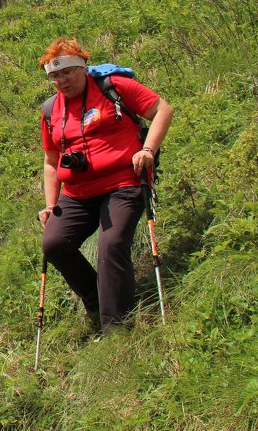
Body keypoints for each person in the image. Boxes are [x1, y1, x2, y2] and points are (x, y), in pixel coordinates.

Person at [37, 38, 174, 333]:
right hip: (77, 193)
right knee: (54, 244)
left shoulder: (113, 88)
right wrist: (51, 204)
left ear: (83, 68)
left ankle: (116, 326)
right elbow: (51, 161)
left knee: (111, 245)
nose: (61, 81)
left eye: (67, 73)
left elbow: (163, 110)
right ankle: (98, 301)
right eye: (54, 76)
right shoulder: (51, 110)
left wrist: (147, 150)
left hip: (123, 182)